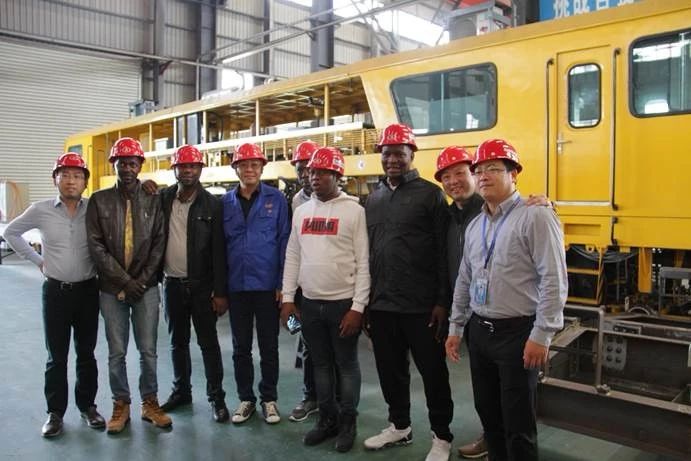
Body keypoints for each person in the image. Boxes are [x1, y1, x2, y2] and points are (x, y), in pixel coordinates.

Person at [445, 139, 567, 461]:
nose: (484, 176)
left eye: (493, 169)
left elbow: (554, 278)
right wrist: (456, 327)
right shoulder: (476, 225)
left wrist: (542, 334)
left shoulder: (535, 216)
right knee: (490, 417)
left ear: (514, 174)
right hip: (480, 333)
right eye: (479, 170)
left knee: (519, 424)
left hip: (518, 335)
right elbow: (465, 279)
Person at [363, 123, 454, 461]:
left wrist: (442, 301)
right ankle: (399, 426)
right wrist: (367, 302)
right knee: (390, 371)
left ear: (411, 154)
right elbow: (368, 253)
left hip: (421, 306)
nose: (392, 159)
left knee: (433, 373)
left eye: (399, 153)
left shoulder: (431, 195)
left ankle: (441, 436)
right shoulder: (374, 198)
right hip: (382, 305)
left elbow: (443, 251)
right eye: (387, 153)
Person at [3, 153, 105, 437]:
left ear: (85, 181)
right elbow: (11, 233)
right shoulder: (40, 209)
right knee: (56, 356)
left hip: (88, 291)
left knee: (86, 353)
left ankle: (88, 407)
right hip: (56, 292)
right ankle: (55, 413)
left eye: (77, 176)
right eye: (65, 175)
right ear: (55, 179)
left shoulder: (94, 208)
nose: (71, 181)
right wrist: (38, 261)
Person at [281, 147, 370, 453]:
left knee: (346, 366)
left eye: (321, 172)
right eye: (311, 172)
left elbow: (363, 262)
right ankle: (327, 420)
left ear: (337, 175)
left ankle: (348, 423)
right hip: (309, 305)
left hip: (343, 305)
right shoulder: (301, 212)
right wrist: (288, 299)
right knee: (320, 365)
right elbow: (293, 256)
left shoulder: (354, 211)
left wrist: (358, 308)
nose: (314, 177)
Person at [86, 137, 170, 433]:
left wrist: (142, 281)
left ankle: (150, 403)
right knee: (117, 352)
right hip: (112, 289)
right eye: (122, 163)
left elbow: (159, 243)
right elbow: (96, 246)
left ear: (140, 165)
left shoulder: (153, 198)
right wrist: (125, 281)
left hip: (146, 289)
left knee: (148, 350)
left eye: (132, 163)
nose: (127, 169)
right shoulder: (99, 201)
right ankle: (121, 404)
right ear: (114, 165)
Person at [158, 145, 229, 423]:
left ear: (200, 169)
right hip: (172, 285)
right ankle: (181, 392)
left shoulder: (212, 205)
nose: (187, 170)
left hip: (202, 287)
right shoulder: (163, 199)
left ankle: (217, 398)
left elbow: (219, 252)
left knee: (208, 344)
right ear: (174, 169)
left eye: (193, 166)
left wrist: (220, 292)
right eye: (182, 166)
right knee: (177, 343)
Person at [222, 143, 290, 425]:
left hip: (267, 286)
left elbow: (285, 241)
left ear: (262, 168)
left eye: (254, 165)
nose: (249, 169)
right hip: (237, 286)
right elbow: (219, 246)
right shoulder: (225, 202)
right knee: (241, 348)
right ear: (235, 169)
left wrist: (283, 284)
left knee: (269, 346)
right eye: (243, 165)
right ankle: (246, 399)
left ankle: (269, 399)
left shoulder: (277, 199)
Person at [288, 140, 321, 422]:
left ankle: (337, 400)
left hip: (335, 287)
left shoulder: (345, 202)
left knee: (337, 349)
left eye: (309, 168)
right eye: (300, 169)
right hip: (303, 286)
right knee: (306, 341)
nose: (306, 175)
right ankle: (310, 396)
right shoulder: (295, 201)